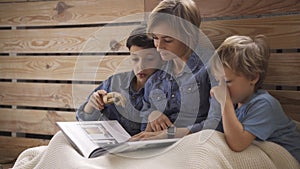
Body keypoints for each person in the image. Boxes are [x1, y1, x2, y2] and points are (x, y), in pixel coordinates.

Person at [209, 35, 300, 163]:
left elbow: (237, 143)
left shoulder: (265, 104)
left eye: (227, 82)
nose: (221, 87)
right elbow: (213, 134)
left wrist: (225, 102)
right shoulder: (235, 105)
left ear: (253, 77)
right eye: (218, 81)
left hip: (288, 161)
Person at [131, 0, 215, 140]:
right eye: (155, 38)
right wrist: (152, 115)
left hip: (194, 143)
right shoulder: (156, 75)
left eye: (168, 40)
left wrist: (169, 135)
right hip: (158, 146)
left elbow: (218, 122)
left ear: (190, 35)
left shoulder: (212, 67)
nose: (159, 47)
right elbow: (145, 113)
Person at [76, 25, 164, 136]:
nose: (141, 66)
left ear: (161, 58)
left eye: (149, 59)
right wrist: (91, 105)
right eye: (135, 59)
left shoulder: (167, 89)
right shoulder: (115, 82)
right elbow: (82, 121)